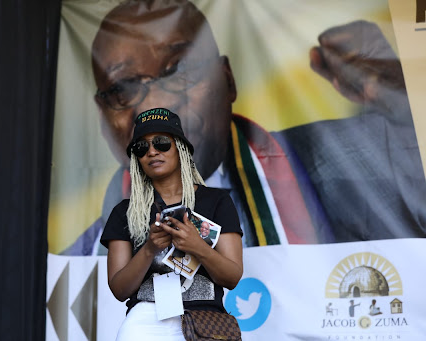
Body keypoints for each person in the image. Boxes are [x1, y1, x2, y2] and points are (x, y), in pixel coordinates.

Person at [62, 0, 426, 255]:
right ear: (103, 118)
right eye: (123, 89)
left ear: (227, 82)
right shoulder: (81, 265)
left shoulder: (358, 163)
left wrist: (406, 101)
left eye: (178, 69)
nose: (157, 105)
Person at [100, 107, 243, 340]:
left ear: (181, 149)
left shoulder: (216, 201)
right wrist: (149, 249)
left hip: (205, 322)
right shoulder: (124, 212)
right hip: (145, 320)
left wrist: (196, 245)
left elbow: (232, 277)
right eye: (142, 147)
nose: (152, 152)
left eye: (161, 143)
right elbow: (119, 289)